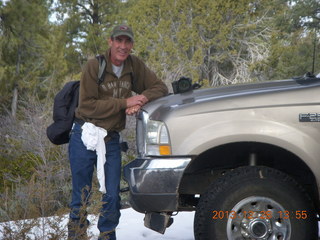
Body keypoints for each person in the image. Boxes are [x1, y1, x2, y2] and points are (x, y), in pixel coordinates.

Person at [67, 24, 168, 240]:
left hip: (110, 138)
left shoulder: (134, 65)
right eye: (119, 41)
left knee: (112, 196)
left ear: (131, 44)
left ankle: (107, 236)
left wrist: (140, 100)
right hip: (85, 136)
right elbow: (87, 106)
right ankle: (76, 236)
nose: (123, 46)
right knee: (81, 196)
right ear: (110, 42)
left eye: (127, 41)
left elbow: (160, 87)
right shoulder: (95, 66)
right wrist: (124, 103)